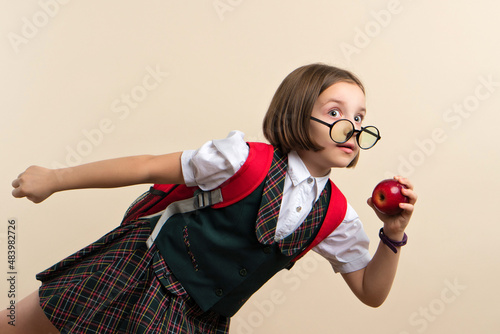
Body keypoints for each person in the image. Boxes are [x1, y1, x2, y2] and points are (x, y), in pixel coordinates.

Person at [3, 63, 417, 334]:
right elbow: (147, 166)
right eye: (335, 113)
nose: (352, 127)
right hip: (139, 269)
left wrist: (393, 234)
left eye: (359, 117)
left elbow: (370, 290)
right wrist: (55, 178)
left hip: (197, 319)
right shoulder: (241, 158)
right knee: (19, 326)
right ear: (296, 112)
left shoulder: (336, 215)